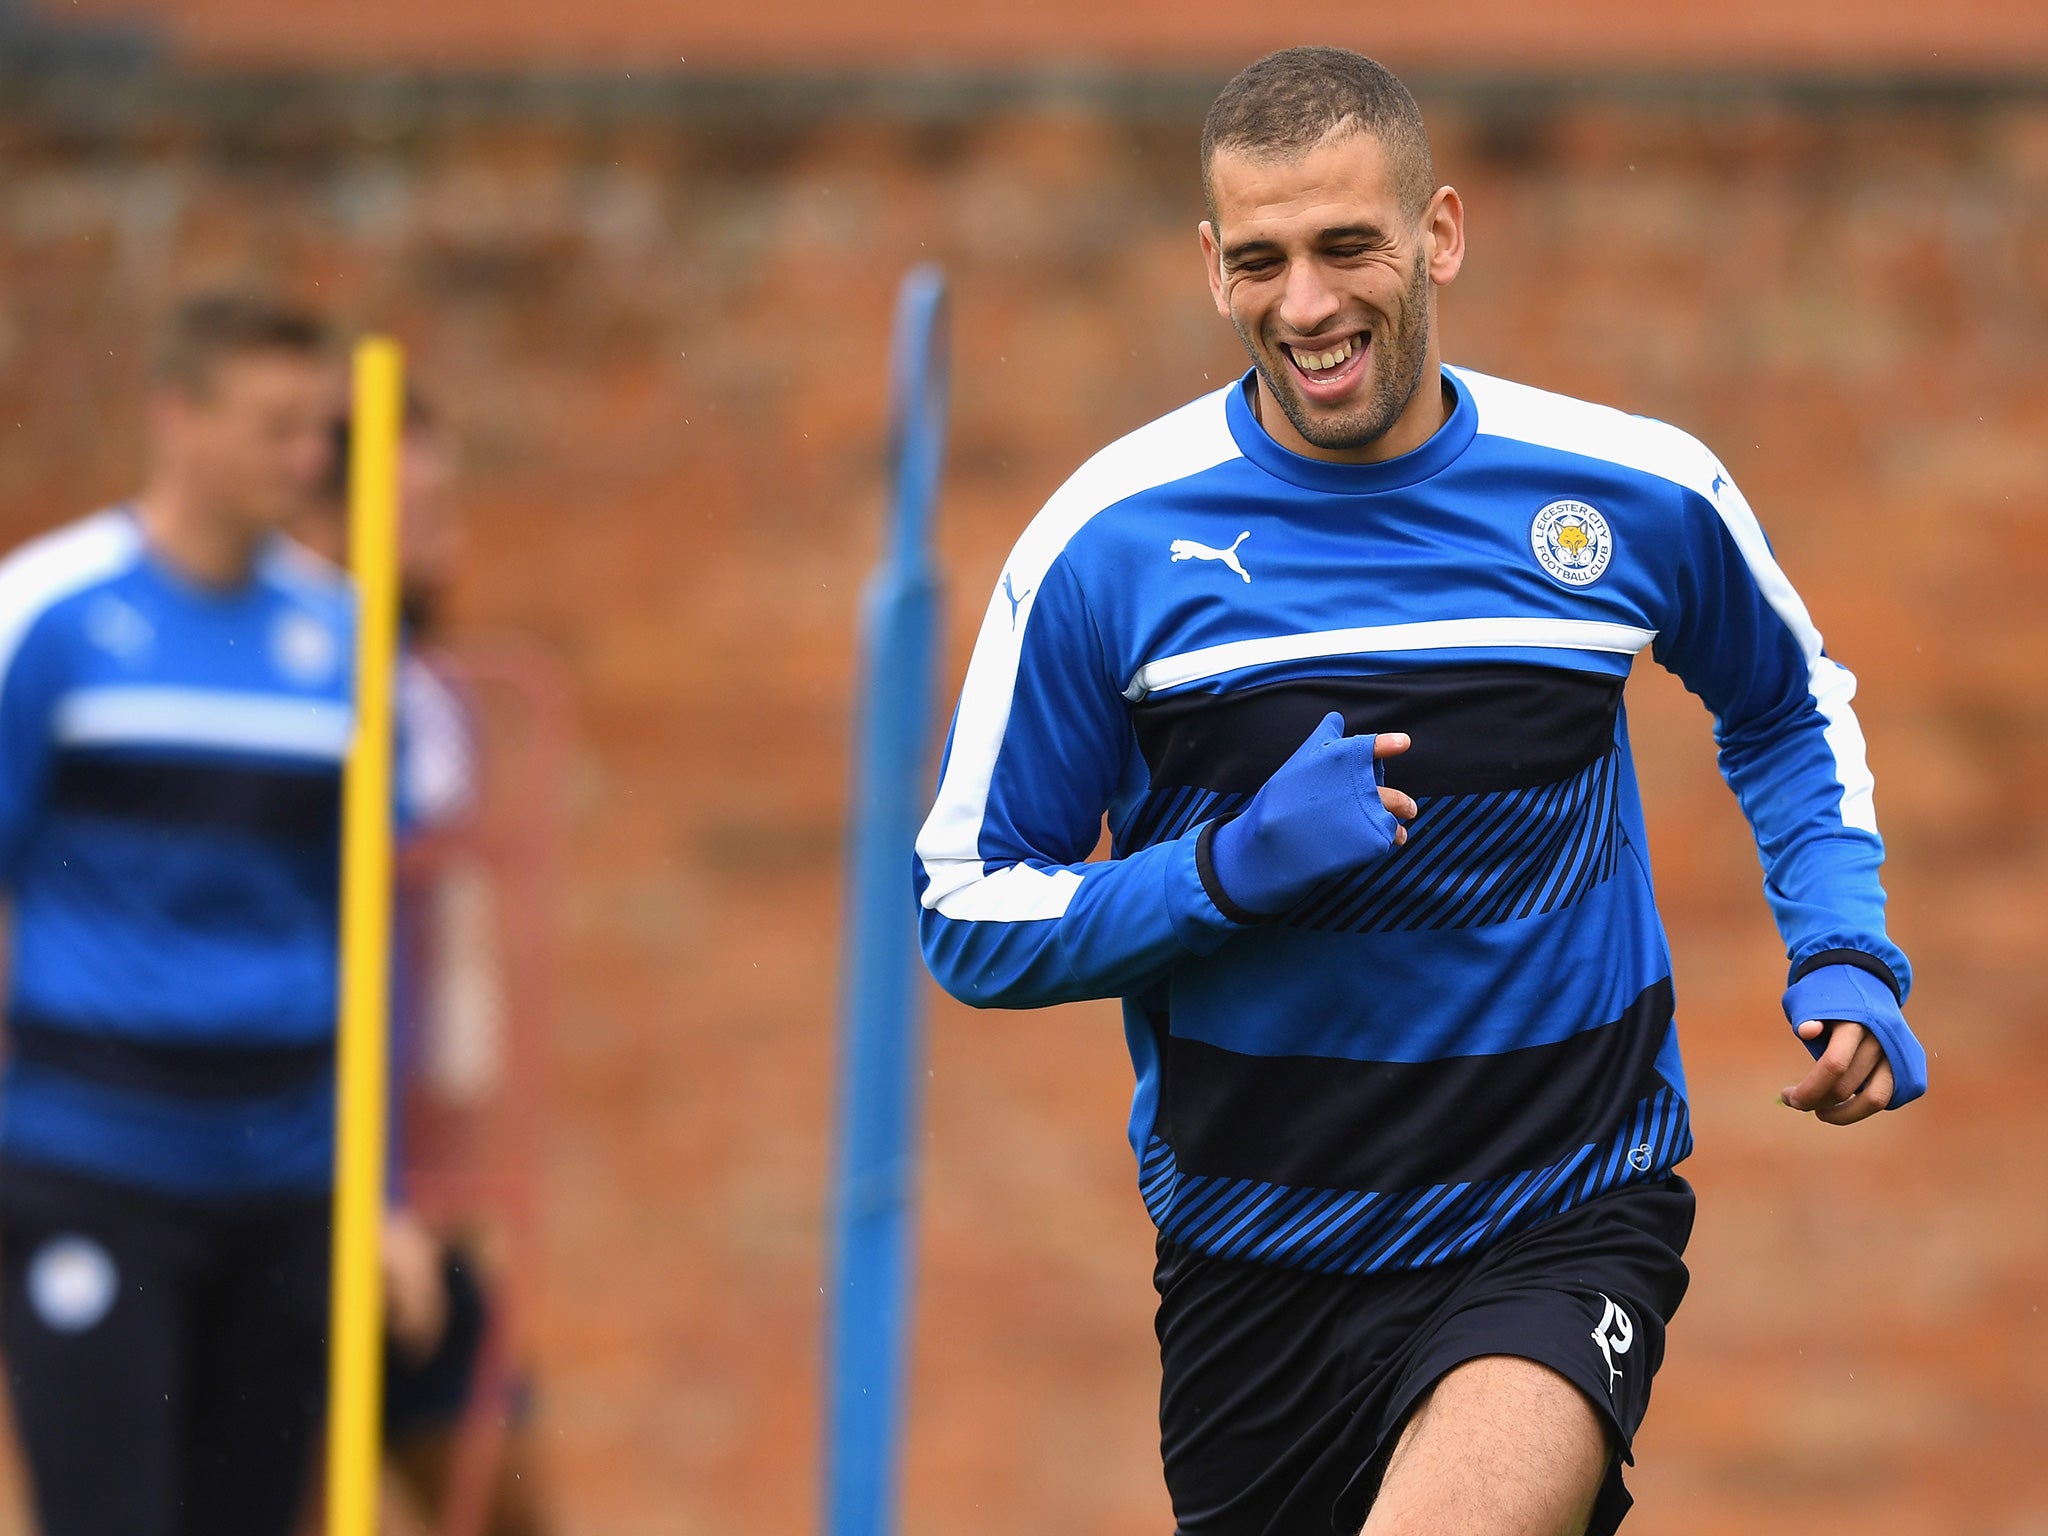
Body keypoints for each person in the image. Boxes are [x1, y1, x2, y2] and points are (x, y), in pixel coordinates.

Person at [913, 46, 1926, 1536]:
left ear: (1439, 233)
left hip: (1561, 1212)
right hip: (1250, 1262)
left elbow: (1784, 702)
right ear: (1211, 268)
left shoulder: (1631, 491)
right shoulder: (1108, 545)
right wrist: (1224, 872)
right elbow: (967, 911)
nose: (1306, 304)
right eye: (1259, 260)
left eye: (1347, 247)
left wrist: (1844, 941)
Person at [0, 292, 347, 1535]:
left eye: (321, 432)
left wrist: (392, 1185)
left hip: (291, 1175)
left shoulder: (342, 637)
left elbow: (388, 925)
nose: (306, 462)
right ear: (177, 418)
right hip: (93, 1163)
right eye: (274, 428)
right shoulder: (46, 617)